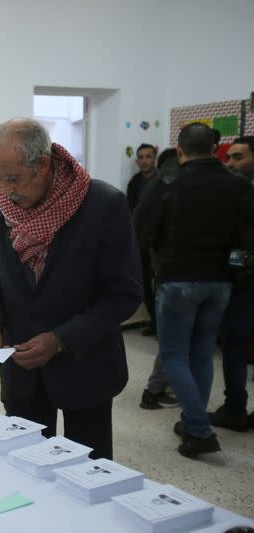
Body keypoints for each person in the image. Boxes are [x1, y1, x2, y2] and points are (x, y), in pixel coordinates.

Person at [0, 118, 142, 460]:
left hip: (86, 367)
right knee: (26, 466)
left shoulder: (103, 204)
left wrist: (61, 338)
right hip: (22, 373)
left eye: (13, 178)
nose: (4, 189)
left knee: (89, 473)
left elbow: (125, 293)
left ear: (43, 165)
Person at [138, 123, 254, 458]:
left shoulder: (168, 182)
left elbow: (141, 231)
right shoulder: (239, 185)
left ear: (181, 149)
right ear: (215, 149)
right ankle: (191, 424)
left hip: (177, 280)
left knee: (174, 355)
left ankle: (199, 429)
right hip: (221, 284)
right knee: (202, 354)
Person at [209, 136, 254, 431]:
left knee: (236, 344)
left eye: (238, 157)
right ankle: (235, 407)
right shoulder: (237, 189)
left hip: (245, 282)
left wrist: (236, 270)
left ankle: (236, 407)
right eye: (229, 157)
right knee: (235, 345)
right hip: (242, 281)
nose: (231, 163)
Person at [133, 148, 179, 410]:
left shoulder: (162, 184)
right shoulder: (162, 184)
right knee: (176, 340)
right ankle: (156, 390)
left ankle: (164, 388)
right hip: (175, 272)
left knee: (175, 340)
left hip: (172, 272)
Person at [127, 144, 158, 337]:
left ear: (155, 158)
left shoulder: (163, 180)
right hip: (140, 242)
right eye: (141, 157)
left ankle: (162, 325)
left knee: (161, 285)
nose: (144, 160)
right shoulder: (134, 183)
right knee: (145, 284)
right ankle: (155, 322)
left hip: (160, 242)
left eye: (148, 156)